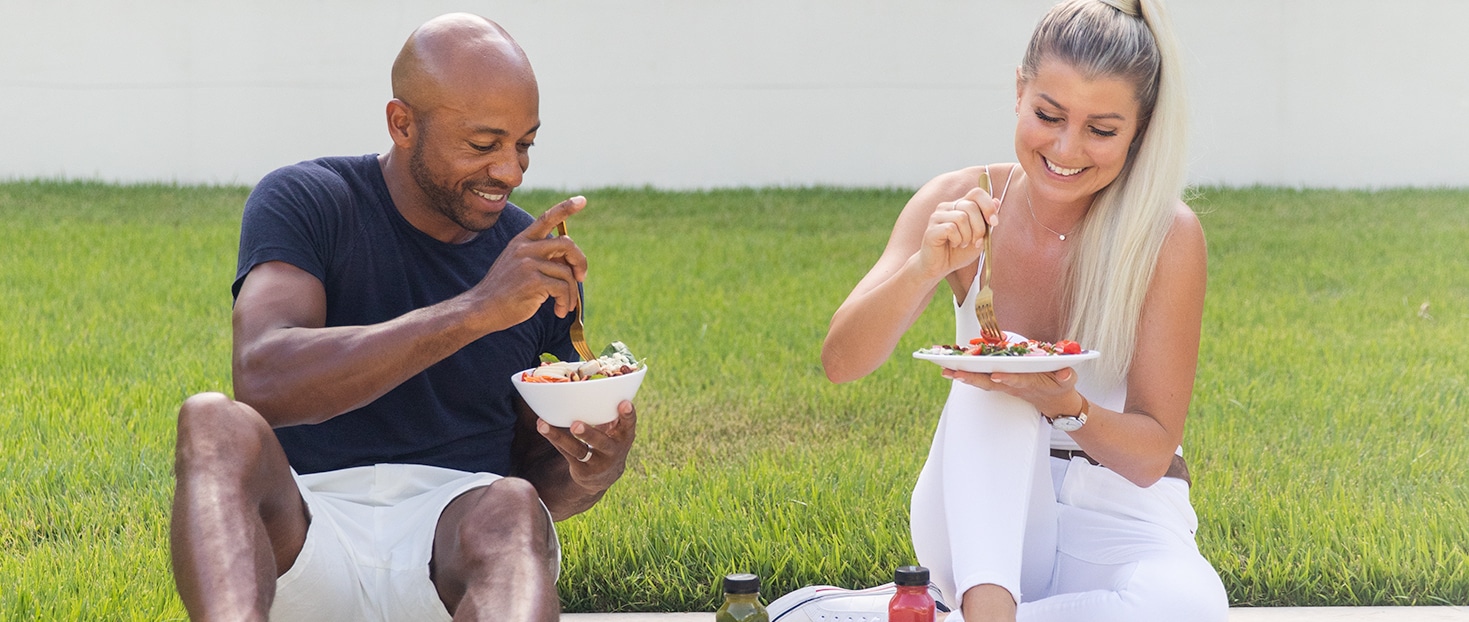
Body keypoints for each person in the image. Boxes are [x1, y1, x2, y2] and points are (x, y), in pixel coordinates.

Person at [169, 14, 637, 621]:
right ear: (402, 123)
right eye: (483, 144)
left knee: (514, 504)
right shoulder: (310, 200)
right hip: (304, 532)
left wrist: (592, 469)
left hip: (452, 545)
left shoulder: (531, 258)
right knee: (212, 422)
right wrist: (474, 311)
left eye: (524, 144)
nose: (512, 172)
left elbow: (537, 474)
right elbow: (263, 379)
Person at [821, 0, 1227, 620]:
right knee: (990, 378)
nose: (1067, 148)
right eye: (1048, 114)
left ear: (1139, 129)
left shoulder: (1166, 235)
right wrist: (925, 268)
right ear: (1019, 90)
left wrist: (1061, 402)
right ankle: (983, 610)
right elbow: (841, 361)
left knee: (1189, 607)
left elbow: (1150, 454)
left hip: (1121, 514)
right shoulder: (961, 199)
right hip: (983, 512)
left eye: (1102, 129)